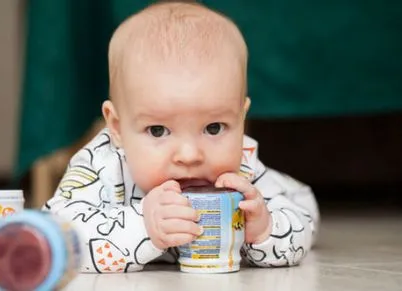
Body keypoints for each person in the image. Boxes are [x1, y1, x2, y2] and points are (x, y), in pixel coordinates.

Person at [43, 1, 319, 273]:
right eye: (158, 130)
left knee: (301, 205)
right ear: (117, 127)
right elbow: (57, 235)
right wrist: (143, 226)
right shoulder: (101, 165)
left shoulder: (242, 169)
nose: (189, 155)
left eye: (213, 128)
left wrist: (264, 229)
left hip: (292, 193)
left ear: (240, 119)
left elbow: (298, 228)